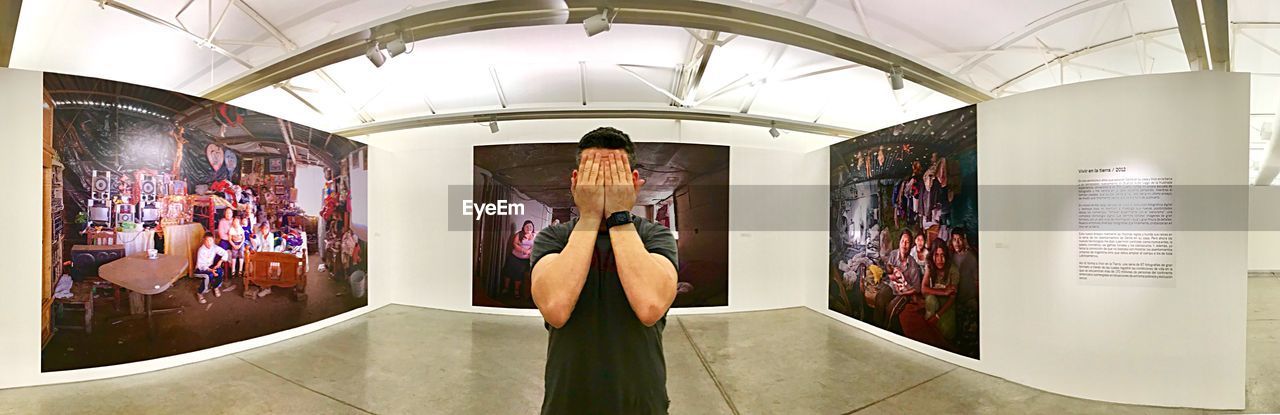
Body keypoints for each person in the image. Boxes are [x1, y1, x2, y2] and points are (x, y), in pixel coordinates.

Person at [530, 127, 678, 414]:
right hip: (568, 401)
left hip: (641, 401)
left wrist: (618, 216)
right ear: (576, 182)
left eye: (612, 178)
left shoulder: (655, 236)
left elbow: (650, 306)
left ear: (633, 182)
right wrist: (588, 216)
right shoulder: (553, 238)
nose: (603, 185)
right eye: (593, 176)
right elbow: (556, 309)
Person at [921, 238, 959, 341]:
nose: (939, 259)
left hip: (947, 306)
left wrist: (937, 316)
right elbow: (923, 289)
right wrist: (944, 291)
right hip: (934, 301)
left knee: (947, 334)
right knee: (930, 300)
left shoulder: (953, 270)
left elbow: (952, 298)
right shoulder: (930, 266)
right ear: (932, 255)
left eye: (942, 255)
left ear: (946, 256)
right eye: (936, 255)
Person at [194, 232, 234, 304]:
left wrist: (220, 261)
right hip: (200, 269)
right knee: (208, 276)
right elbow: (201, 266)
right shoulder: (201, 250)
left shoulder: (214, 247)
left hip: (210, 267)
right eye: (207, 240)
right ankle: (200, 293)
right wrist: (211, 270)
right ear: (204, 240)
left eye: (211, 241)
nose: (209, 243)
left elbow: (225, 253)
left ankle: (215, 287)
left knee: (220, 271)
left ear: (213, 240)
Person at [503, 220, 536, 299]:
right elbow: (515, 244)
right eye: (527, 226)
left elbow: (535, 246)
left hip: (524, 260)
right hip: (514, 257)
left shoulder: (535, 236)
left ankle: (516, 291)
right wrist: (524, 250)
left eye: (530, 226)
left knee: (519, 275)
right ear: (523, 227)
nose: (528, 228)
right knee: (508, 272)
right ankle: (506, 288)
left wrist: (530, 251)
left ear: (533, 228)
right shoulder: (519, 234)